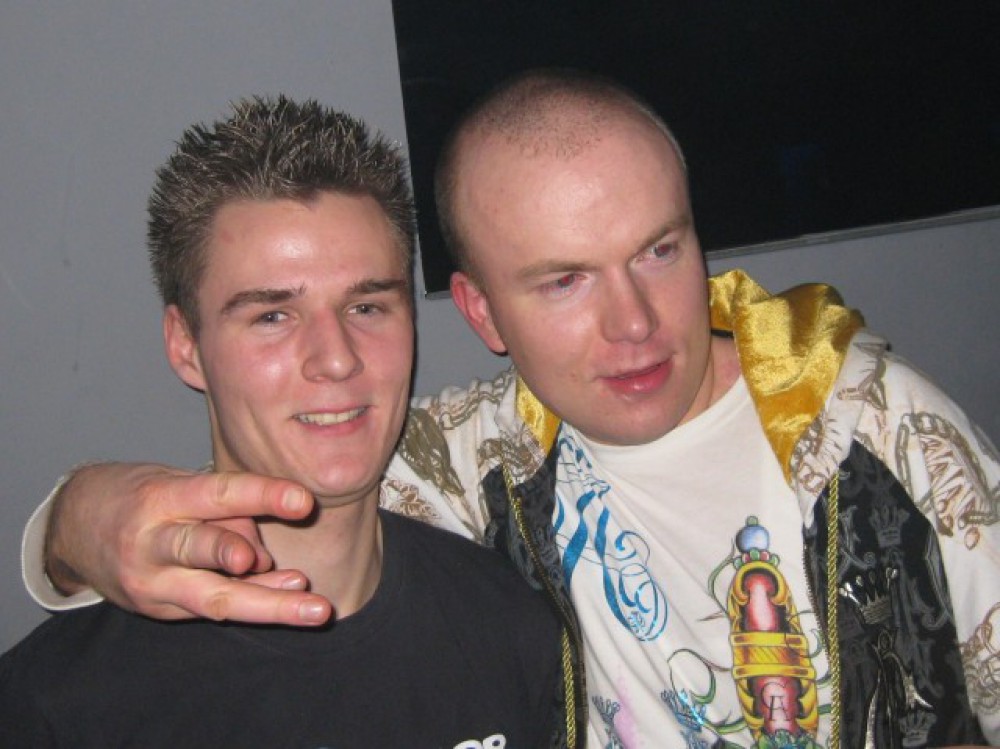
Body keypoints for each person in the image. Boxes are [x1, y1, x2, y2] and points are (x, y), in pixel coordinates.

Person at [20, 70, 1000, 748]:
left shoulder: (874, 430)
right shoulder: (480, 459)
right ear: (481, 312)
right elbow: (285, 484)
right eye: (564, 280)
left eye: (658, 250)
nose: (635, 323)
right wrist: (70, 521)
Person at [1, 95, 565, 748]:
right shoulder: (64, 703)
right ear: (186, 345)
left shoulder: (509, 627)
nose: (336, 358)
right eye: (272, 315)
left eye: (366, 306)